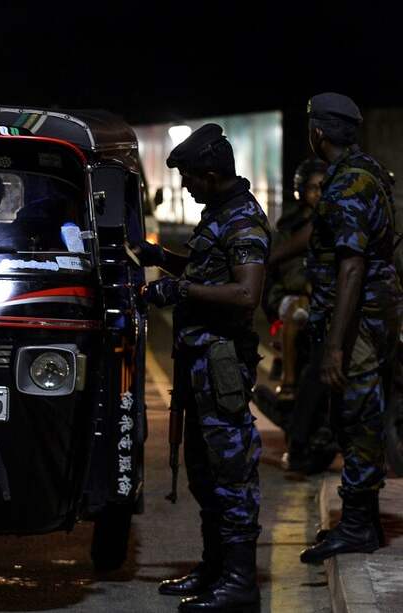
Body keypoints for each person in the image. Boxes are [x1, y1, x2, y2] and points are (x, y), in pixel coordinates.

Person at [136, 124, 269, 612]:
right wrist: (163, 260)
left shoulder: (242, 221)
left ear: (211, 174)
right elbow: (203, 271)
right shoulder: (219, 214)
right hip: (199, 365)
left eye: (190, 177)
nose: (186, 186)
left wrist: (182, 292)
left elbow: (245, 293)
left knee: (231, 472)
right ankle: (215, 569)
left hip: (222, 365)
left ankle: (238, 583)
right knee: (202, 471)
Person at [296, 93, 402, 564]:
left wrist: (336, 346)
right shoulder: (365, 172)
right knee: (355, 412)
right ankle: (361, 521)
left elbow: (351, 267)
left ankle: (359, 525)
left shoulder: (346, 185)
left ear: (318, 133)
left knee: (358, 416)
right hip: (372, 315)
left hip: (359, 321)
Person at [264, 158, 339, 474]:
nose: (317, 194)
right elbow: (280, 265)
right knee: (296, 318)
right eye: (312, 188)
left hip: (324, 301)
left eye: (323, 188)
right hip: (295, 298)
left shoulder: (336, 222)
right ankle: (290, 382)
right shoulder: (293, 227)